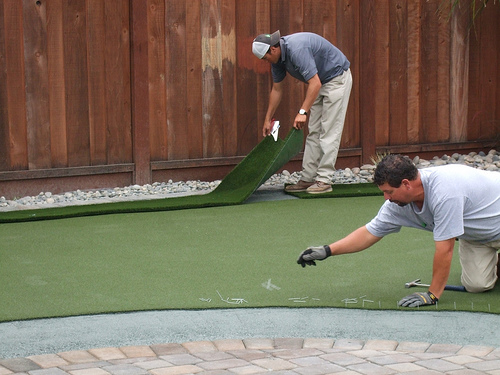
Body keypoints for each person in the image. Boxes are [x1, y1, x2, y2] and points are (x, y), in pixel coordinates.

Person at [297, 154, 500, 307]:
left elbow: (445, 249)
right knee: (477, 285)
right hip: (477, 237)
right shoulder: (397, 204)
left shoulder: (445, 192)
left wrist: (432, 294)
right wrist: (328, 250)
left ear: (406, 184)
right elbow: (369, 233)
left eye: (389, 192)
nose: (386, 198)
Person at [252, 31, 352, 194]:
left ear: (274, 49)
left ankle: (324, 180)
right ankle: (308, 178)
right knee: (313, 131)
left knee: (329, 130)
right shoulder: (277, 60)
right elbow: (277, 89)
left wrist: (302, 112)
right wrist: (267, 118)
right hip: (320, 81)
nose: (266, 61)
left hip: (336, 79)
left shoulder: (297, 49)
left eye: (265, 58)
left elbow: (315, 83)